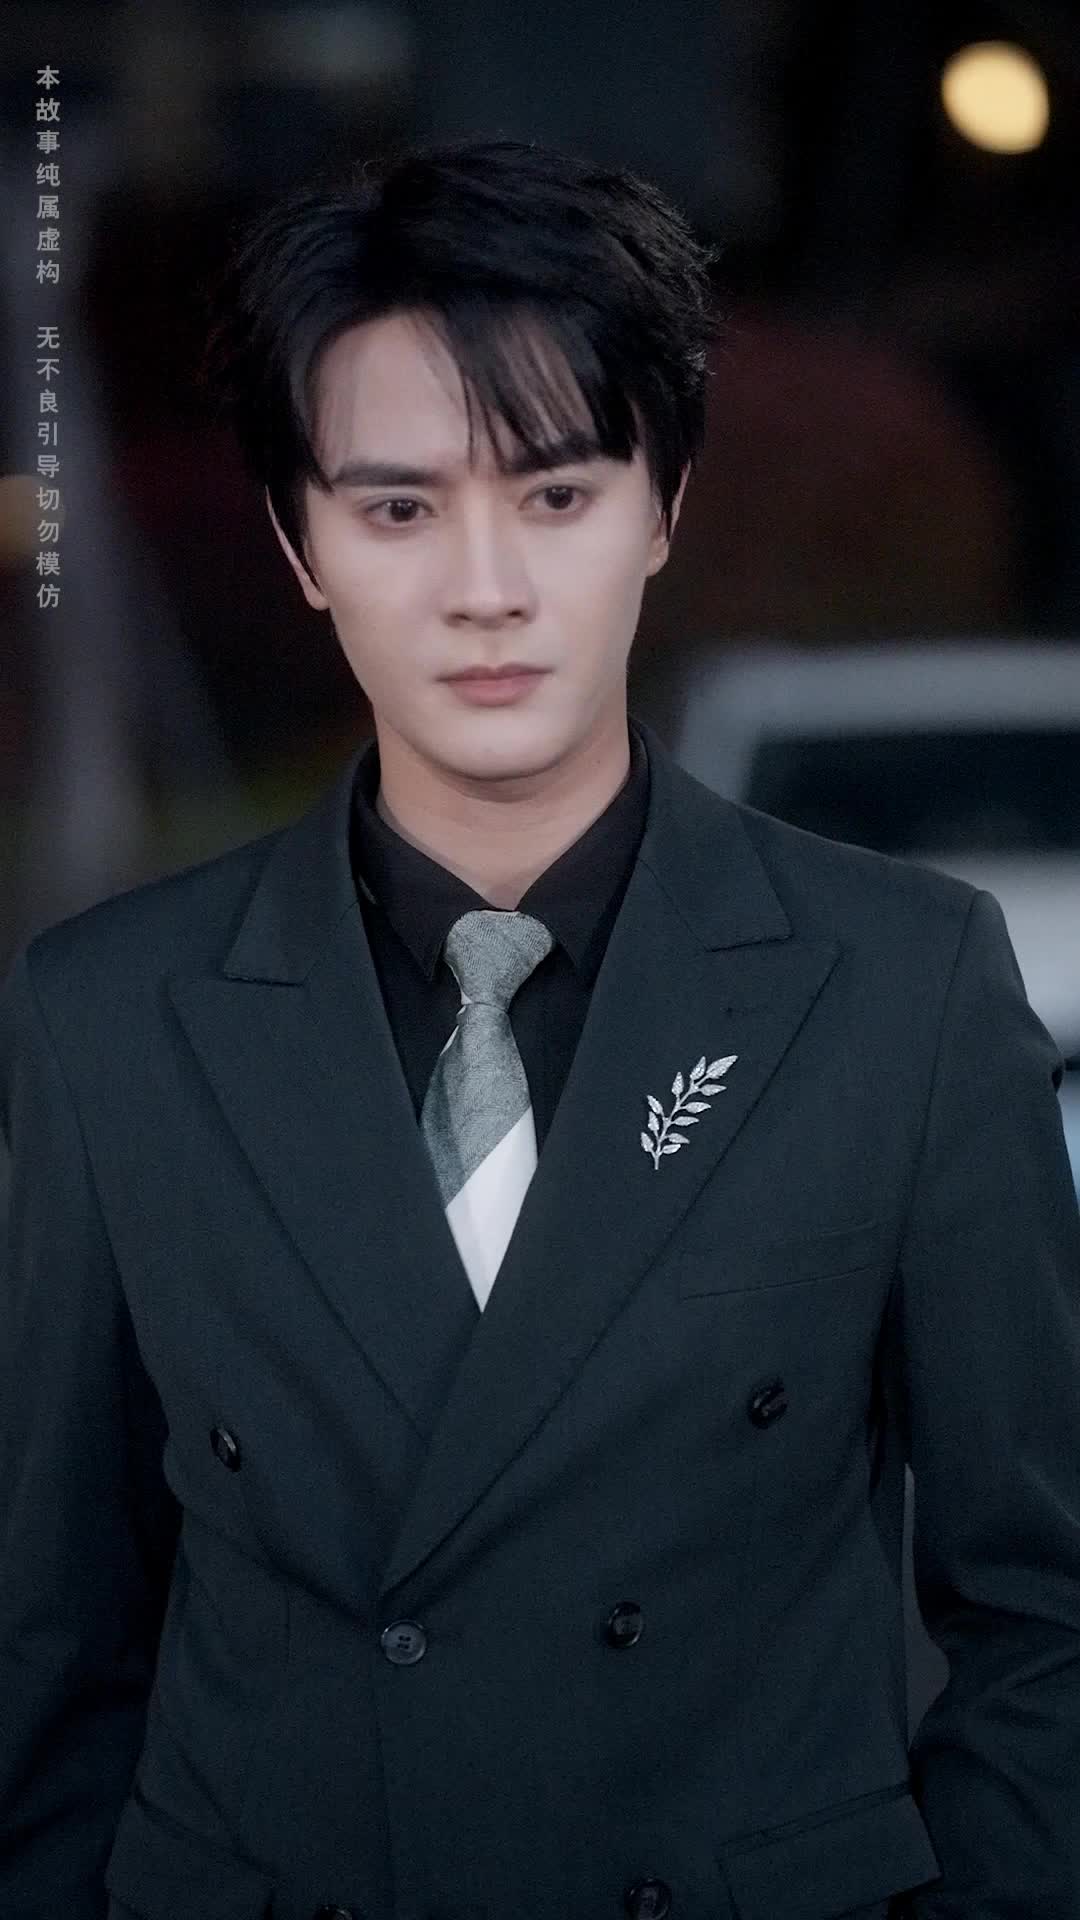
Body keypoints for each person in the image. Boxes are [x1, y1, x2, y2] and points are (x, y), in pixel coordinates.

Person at [2, 136, 1079, 1920]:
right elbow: (53, 1655)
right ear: (297, 542)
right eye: (399, 509)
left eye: (558, 493)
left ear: (664, 506)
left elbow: (1043, 1609)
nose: (486, 586)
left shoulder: (903, 985)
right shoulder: (112, 1022)